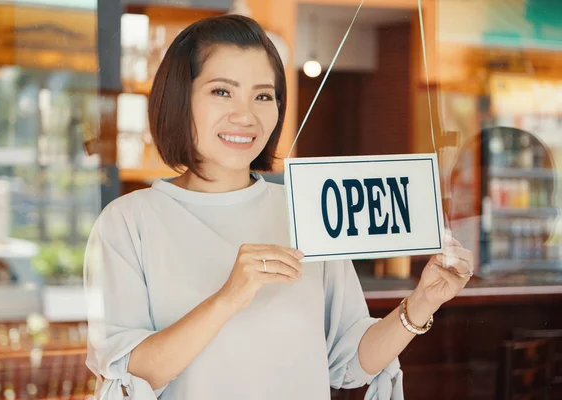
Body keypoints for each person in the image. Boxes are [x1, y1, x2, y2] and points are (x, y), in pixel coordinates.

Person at [83, 14, 474, 400]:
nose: (245, 115)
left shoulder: (306, 208)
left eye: (263, 95)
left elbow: (349, 361)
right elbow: (132, 373)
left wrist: (424, 300)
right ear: (179, 100)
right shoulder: (127, 223)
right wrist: (228, 297)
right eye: (222, 91)